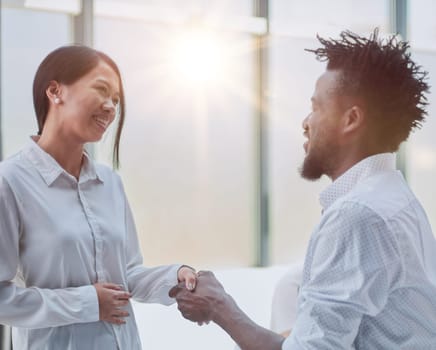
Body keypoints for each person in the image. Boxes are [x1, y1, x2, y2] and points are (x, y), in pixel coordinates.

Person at [169, 29, 436, 349]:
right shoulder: (396, 199)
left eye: (317, 107)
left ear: (351, 120)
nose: (306, 121)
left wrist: (221, 308)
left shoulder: (357, 215)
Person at [0, 45, 197, 350]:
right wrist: (87, 302)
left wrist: (175, 277)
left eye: (116, 100)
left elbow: (126, 274)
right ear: (55, 91)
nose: (111, 107)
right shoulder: (10, 181)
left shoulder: (110, 183)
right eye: (101, 90)